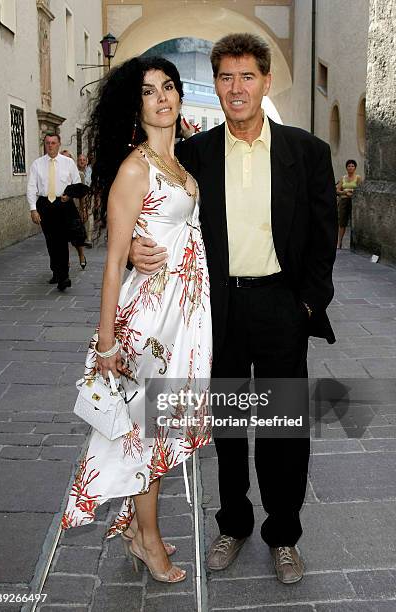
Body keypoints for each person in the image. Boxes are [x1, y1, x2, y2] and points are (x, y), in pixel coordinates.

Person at [129, 33, 338, 584]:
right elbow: (154, 198)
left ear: (266, 82)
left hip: (279, 306)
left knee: (281, 428)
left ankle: (284, 535)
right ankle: (233, 524)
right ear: (216, 86)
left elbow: (323, 240)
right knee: (224, 425)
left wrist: (309, 307)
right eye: (226, 77)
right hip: (214, 312)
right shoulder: (195, 153)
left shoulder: (307, 153)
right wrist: (132, 244)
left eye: (248, 76)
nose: (237, 88)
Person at [60, 56, 212, 584]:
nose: (163, 97)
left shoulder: (180, 167)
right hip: (147, 323)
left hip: (180, 320)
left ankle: (134, 529)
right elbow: (111, 263)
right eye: (150, 91)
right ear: (137, 104)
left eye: (169, 87)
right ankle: (147, 541)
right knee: (147, 431)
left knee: (159, 424)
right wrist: (106, 347)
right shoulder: (136, 166)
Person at [27, 134, 83, 291]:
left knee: (62, 240)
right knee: (51, 241)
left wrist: (70, 195)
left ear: (59, 144)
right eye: (47, 143)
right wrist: (33, 209)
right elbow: (32, 187)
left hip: (63, 204)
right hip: (45, 205)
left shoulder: (68, 162)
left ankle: (64, 277)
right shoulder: (37, 164)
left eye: (53, 143)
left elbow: (77, 183)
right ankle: (56, 272)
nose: (50, 145)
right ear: (44, 145)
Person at [59, 150, 88, 269]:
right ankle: (66, 261)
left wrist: (83, 209)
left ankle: (81, 255)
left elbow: (82, 194)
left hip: (74, 209)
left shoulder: (78, 174)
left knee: (76, 236)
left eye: (68, 158)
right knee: (62, 237)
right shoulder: (56, 173)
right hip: (60, 209)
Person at [336, 159, 362, 249]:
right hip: (344, 201)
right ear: (346, 168)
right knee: (342, 222)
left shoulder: (358, 177)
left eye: (352, 166)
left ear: (355, 168)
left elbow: (360, 189)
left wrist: (352, 191)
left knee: (354, 222)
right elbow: (337, 190)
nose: (350, 167)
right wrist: (345, 192)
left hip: (354, 202)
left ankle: (354, 244)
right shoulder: (343, 178)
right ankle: (339, 242)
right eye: (349, 166)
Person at [77, 153, 94, 247]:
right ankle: (80, 237)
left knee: (89, 214)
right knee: (79, 216)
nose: (82, 161)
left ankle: (89, 238)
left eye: (84, 160)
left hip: (89, 196)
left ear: (87, 161)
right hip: (77, 197)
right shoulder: (75, 172)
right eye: (80, 160)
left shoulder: (90, 172)